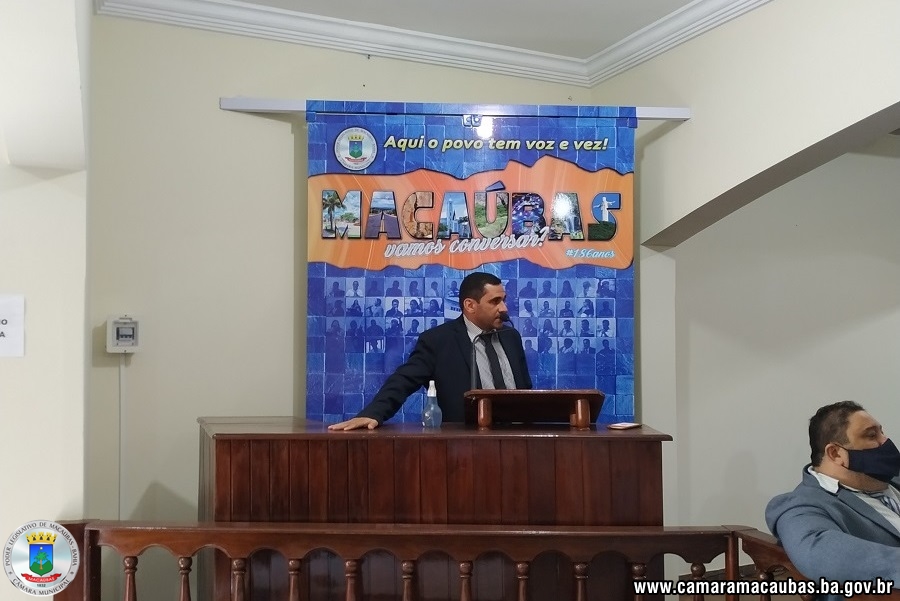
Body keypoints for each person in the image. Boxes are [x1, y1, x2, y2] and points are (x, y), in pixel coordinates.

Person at [328, 272, 532, 430]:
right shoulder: (438, 341)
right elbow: (403, 380)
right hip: (464, 444)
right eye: (495, 301)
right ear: (470, 305)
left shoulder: (511, 337)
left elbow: (525, 390)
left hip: (518, 440)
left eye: (503, 299)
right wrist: (373, 413)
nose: (504, 308)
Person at [766, 401, 900, 596]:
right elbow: (821, 555)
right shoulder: (801, 506)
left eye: (882, 432)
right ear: (836, 453)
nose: (885, 441)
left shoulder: (892, 478)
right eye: (872, 435)